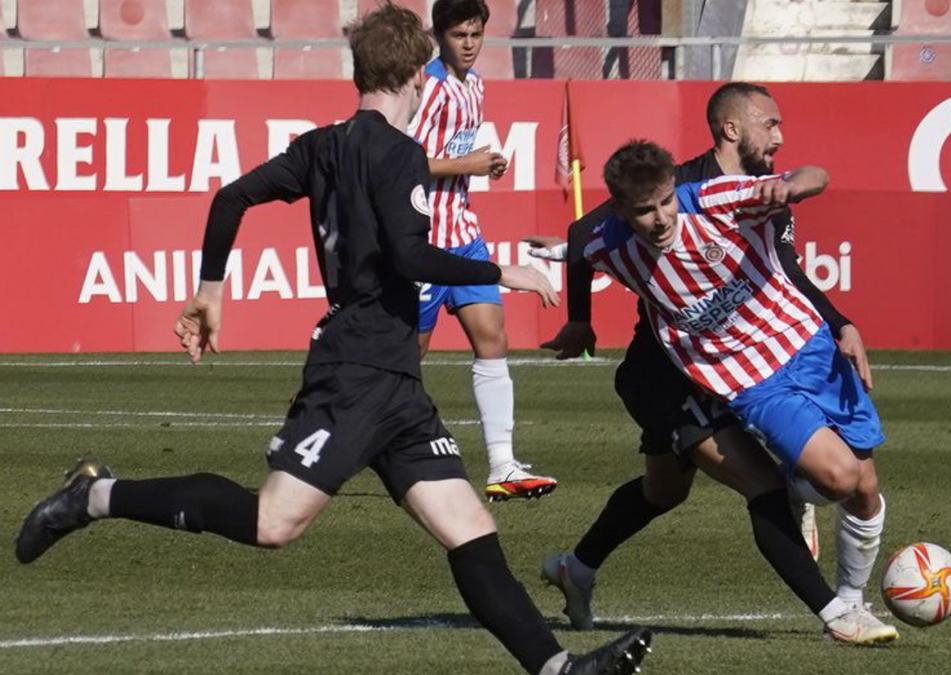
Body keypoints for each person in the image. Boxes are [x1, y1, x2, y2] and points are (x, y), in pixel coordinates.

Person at [13, 5, 651, 673]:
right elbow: (410, 256)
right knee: (272, 522)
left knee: (470, 528)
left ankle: (559, 668)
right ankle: (95, 494)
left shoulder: (322, 145)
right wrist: (505, 271)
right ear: (414, 75)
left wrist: (209, 288)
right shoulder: (399, 152)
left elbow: (230, 197)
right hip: (356, 368)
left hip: (395, 378)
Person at [529, 84, 888, 643]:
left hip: (743, 361)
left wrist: (837, 318)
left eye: (664, 204)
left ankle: (576, 568)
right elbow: (582, 238)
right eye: (768, 125)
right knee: (763, 485)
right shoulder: (664, 197)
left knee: (663, 492)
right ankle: (837, 614)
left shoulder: (727, 193)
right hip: (667, 378)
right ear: (731, 129)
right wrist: (581, 321)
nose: (778, 138)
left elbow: (793, 238)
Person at [409, 0, 556, 502]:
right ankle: (324, 417)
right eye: (459, 35)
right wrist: (466, 164)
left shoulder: (475, 86)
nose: (469, 44)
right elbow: (403, 164)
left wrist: (481, 166)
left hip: (465, 234)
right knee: (406, 357)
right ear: (439, 35)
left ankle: (502, 466)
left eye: (476, 34)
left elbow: (456, 158)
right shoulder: (428, 88)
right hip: (423, 242)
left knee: (493, 340)